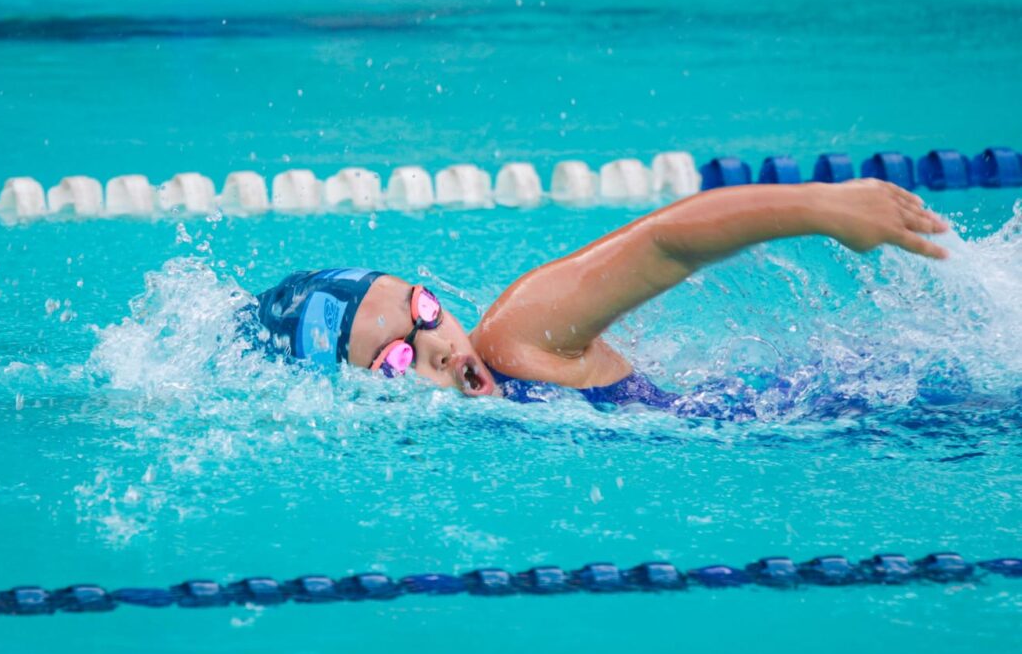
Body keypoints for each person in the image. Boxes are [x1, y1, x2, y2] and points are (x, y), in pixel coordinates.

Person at [253, 179, 949, 411]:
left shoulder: (514, 341)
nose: (437, 346)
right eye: (395, 361)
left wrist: (821, 206)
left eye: (425, 312)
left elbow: (663, 244)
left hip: (870, 414)